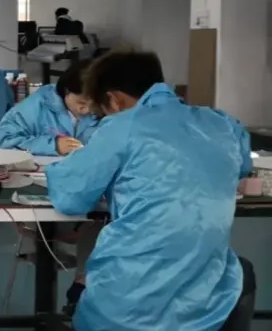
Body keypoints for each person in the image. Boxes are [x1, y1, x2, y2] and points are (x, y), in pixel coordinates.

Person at [45, 50, 252, 331]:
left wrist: (58, 169)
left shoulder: (121, 127)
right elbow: (240, 166)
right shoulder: (221, 123)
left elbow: (70, 197)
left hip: (128, 304)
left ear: (114, 100)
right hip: (207, 302)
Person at [0, 62, 97, 156]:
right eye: (81, 103)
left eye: (93, 104)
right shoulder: (37, 106)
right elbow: (5, 143)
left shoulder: (102, 109)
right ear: (67, 91)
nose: (87, 110)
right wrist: (53, 146)